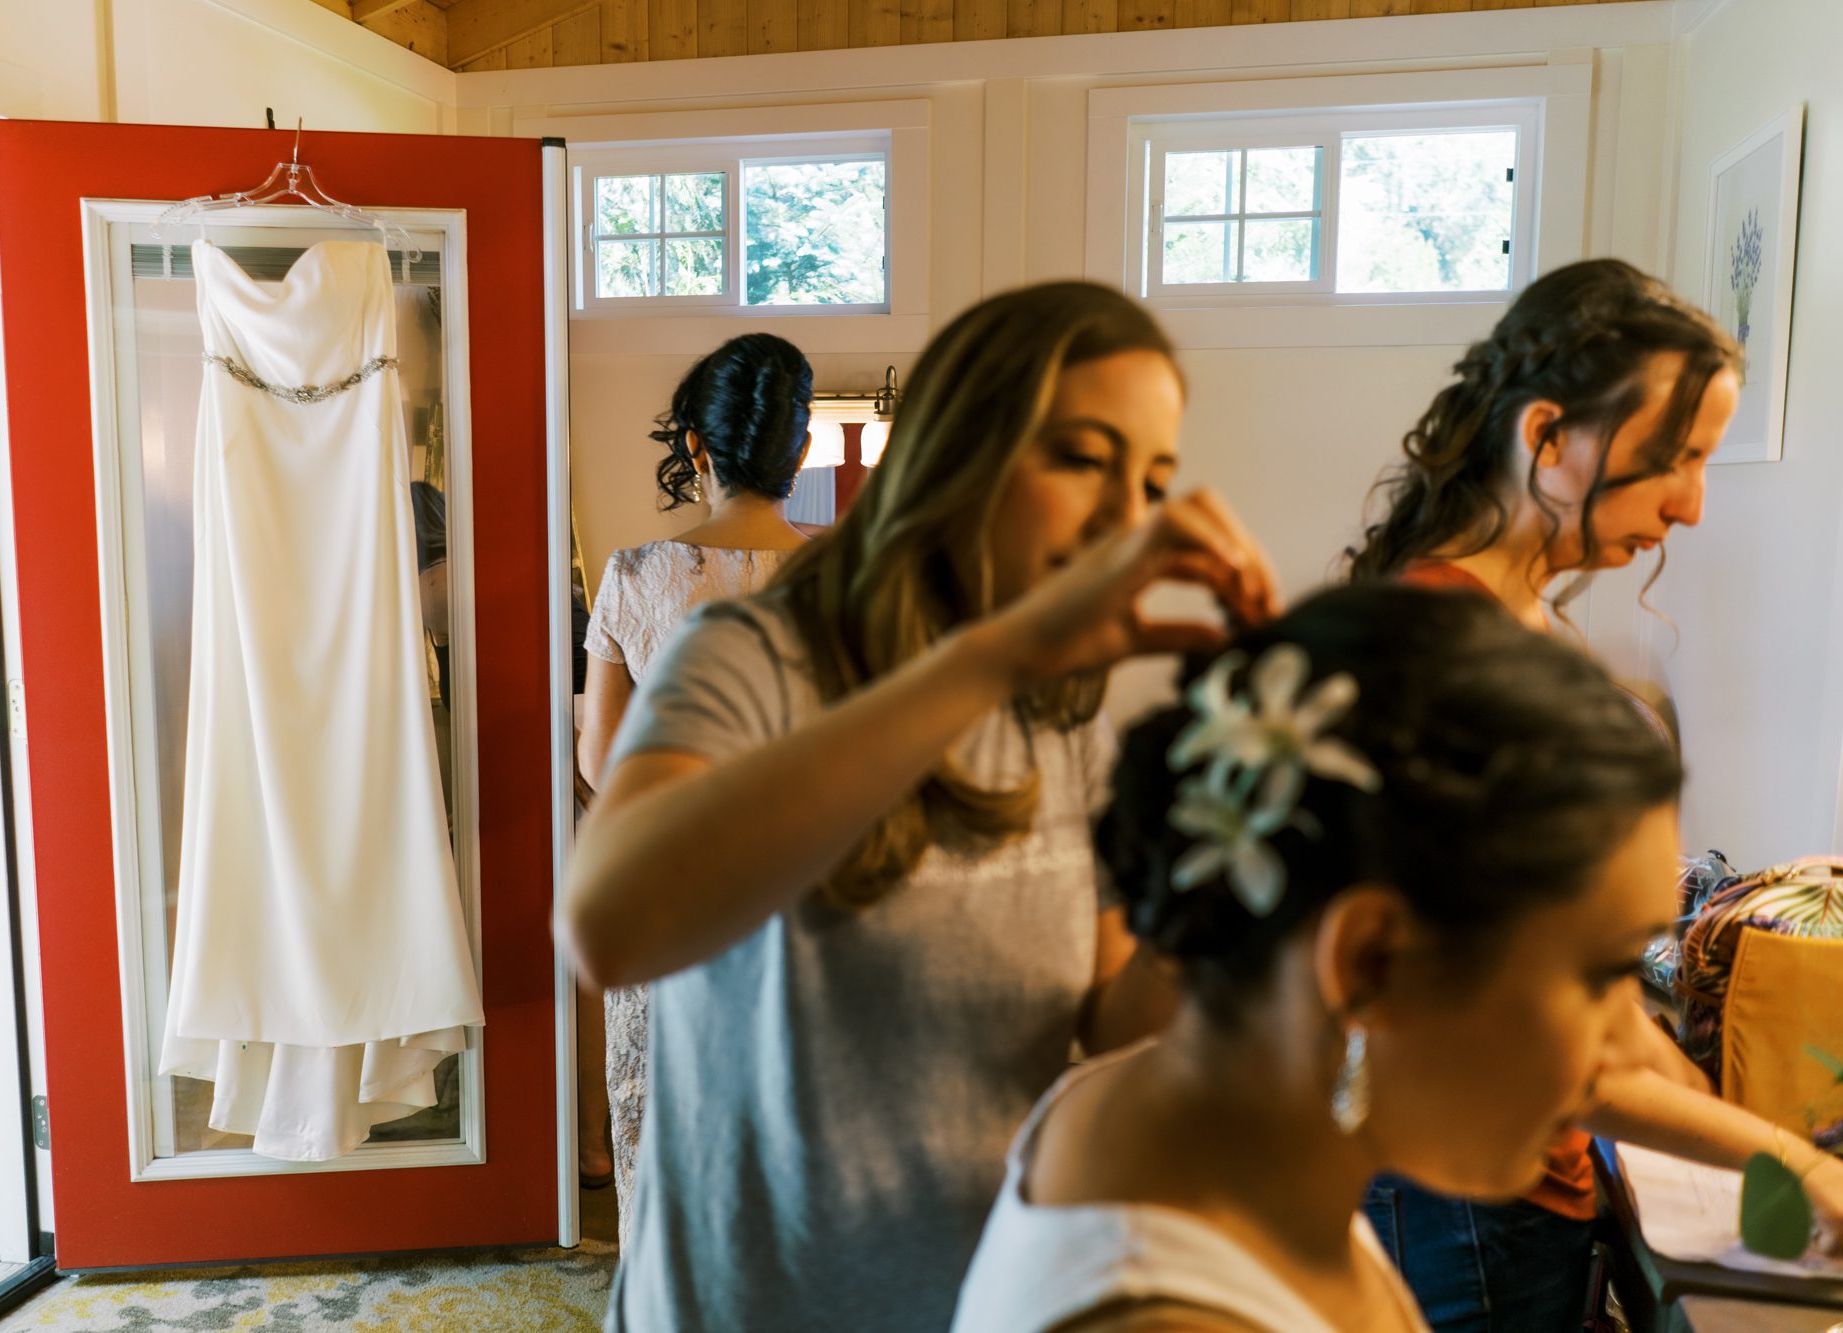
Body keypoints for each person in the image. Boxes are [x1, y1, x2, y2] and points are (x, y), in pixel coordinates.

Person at [563, 281, 1279, 1332]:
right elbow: (609, 925)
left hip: (976, 1292)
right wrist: (991, 657)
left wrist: (1238, 854)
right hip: (750, 1296)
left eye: (1156, 478)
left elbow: (1116, 1010)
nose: (1129, 518)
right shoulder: (745, 651)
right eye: (1085, 458)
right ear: (956, 452)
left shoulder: (1066, 723)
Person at [951, 583, 1685, 1332]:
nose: (1631, 1048)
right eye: (1602, 978)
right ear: (1368, 961)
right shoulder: (1165, 1313)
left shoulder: (1206, 1136)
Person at [1348, 257, 1843, 1330]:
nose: (1695, 506)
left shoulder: (1505, 620)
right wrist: (1788, 1165)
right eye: (1678, 458)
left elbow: (1579, 982)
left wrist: (1718, 1120)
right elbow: (1509, 1036)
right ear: (1545, 439)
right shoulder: (1455, 653)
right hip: (1465, 1195)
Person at [573, 332, 817, 1224]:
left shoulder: (636, 577)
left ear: (695, 448)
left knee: (669, 1158)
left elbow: (600, 761)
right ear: (802, 450)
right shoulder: (850, 581)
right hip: (807, 907)